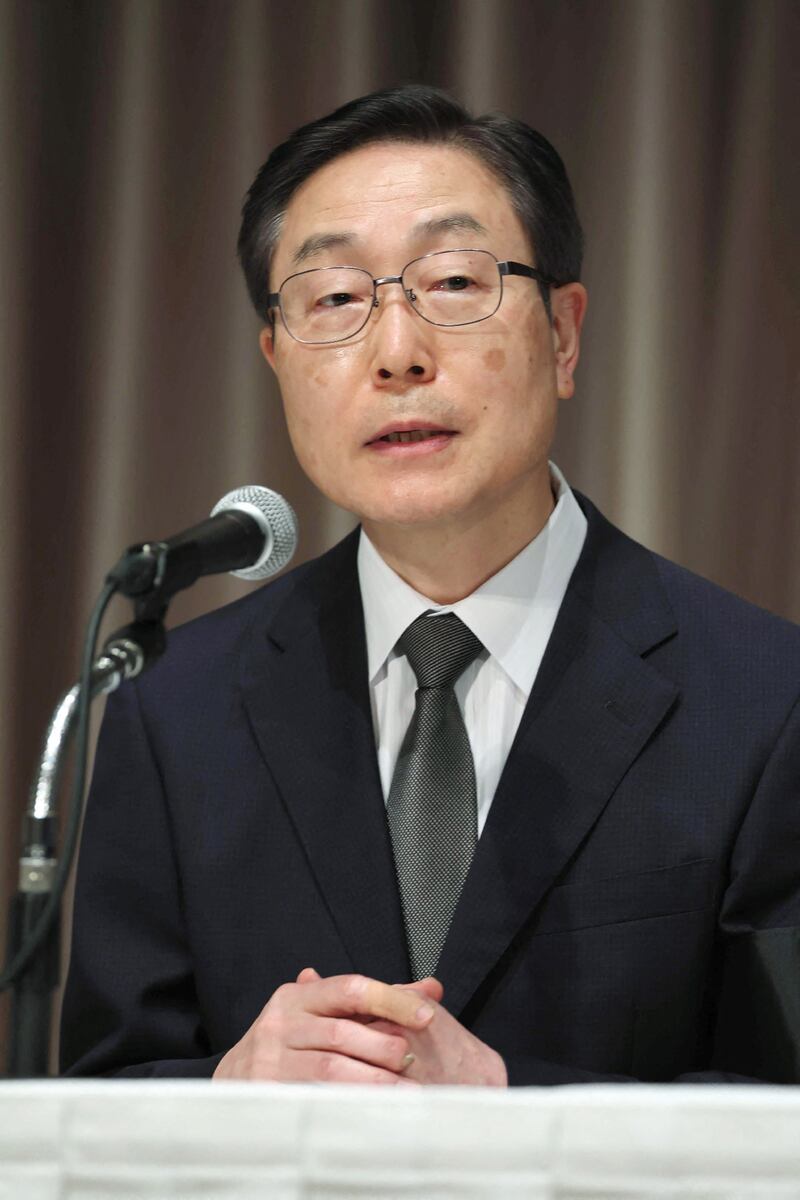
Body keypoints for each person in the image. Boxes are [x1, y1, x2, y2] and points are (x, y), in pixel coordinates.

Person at [60, 85, 800, 1086]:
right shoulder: (169, 705)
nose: (396, 353)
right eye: (332, 300)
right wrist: (224, 1098)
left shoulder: (764, 699)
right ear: (276, 357)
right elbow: (102, 1099)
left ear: (564, 335)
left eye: (453, 282)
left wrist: (513, 1118)